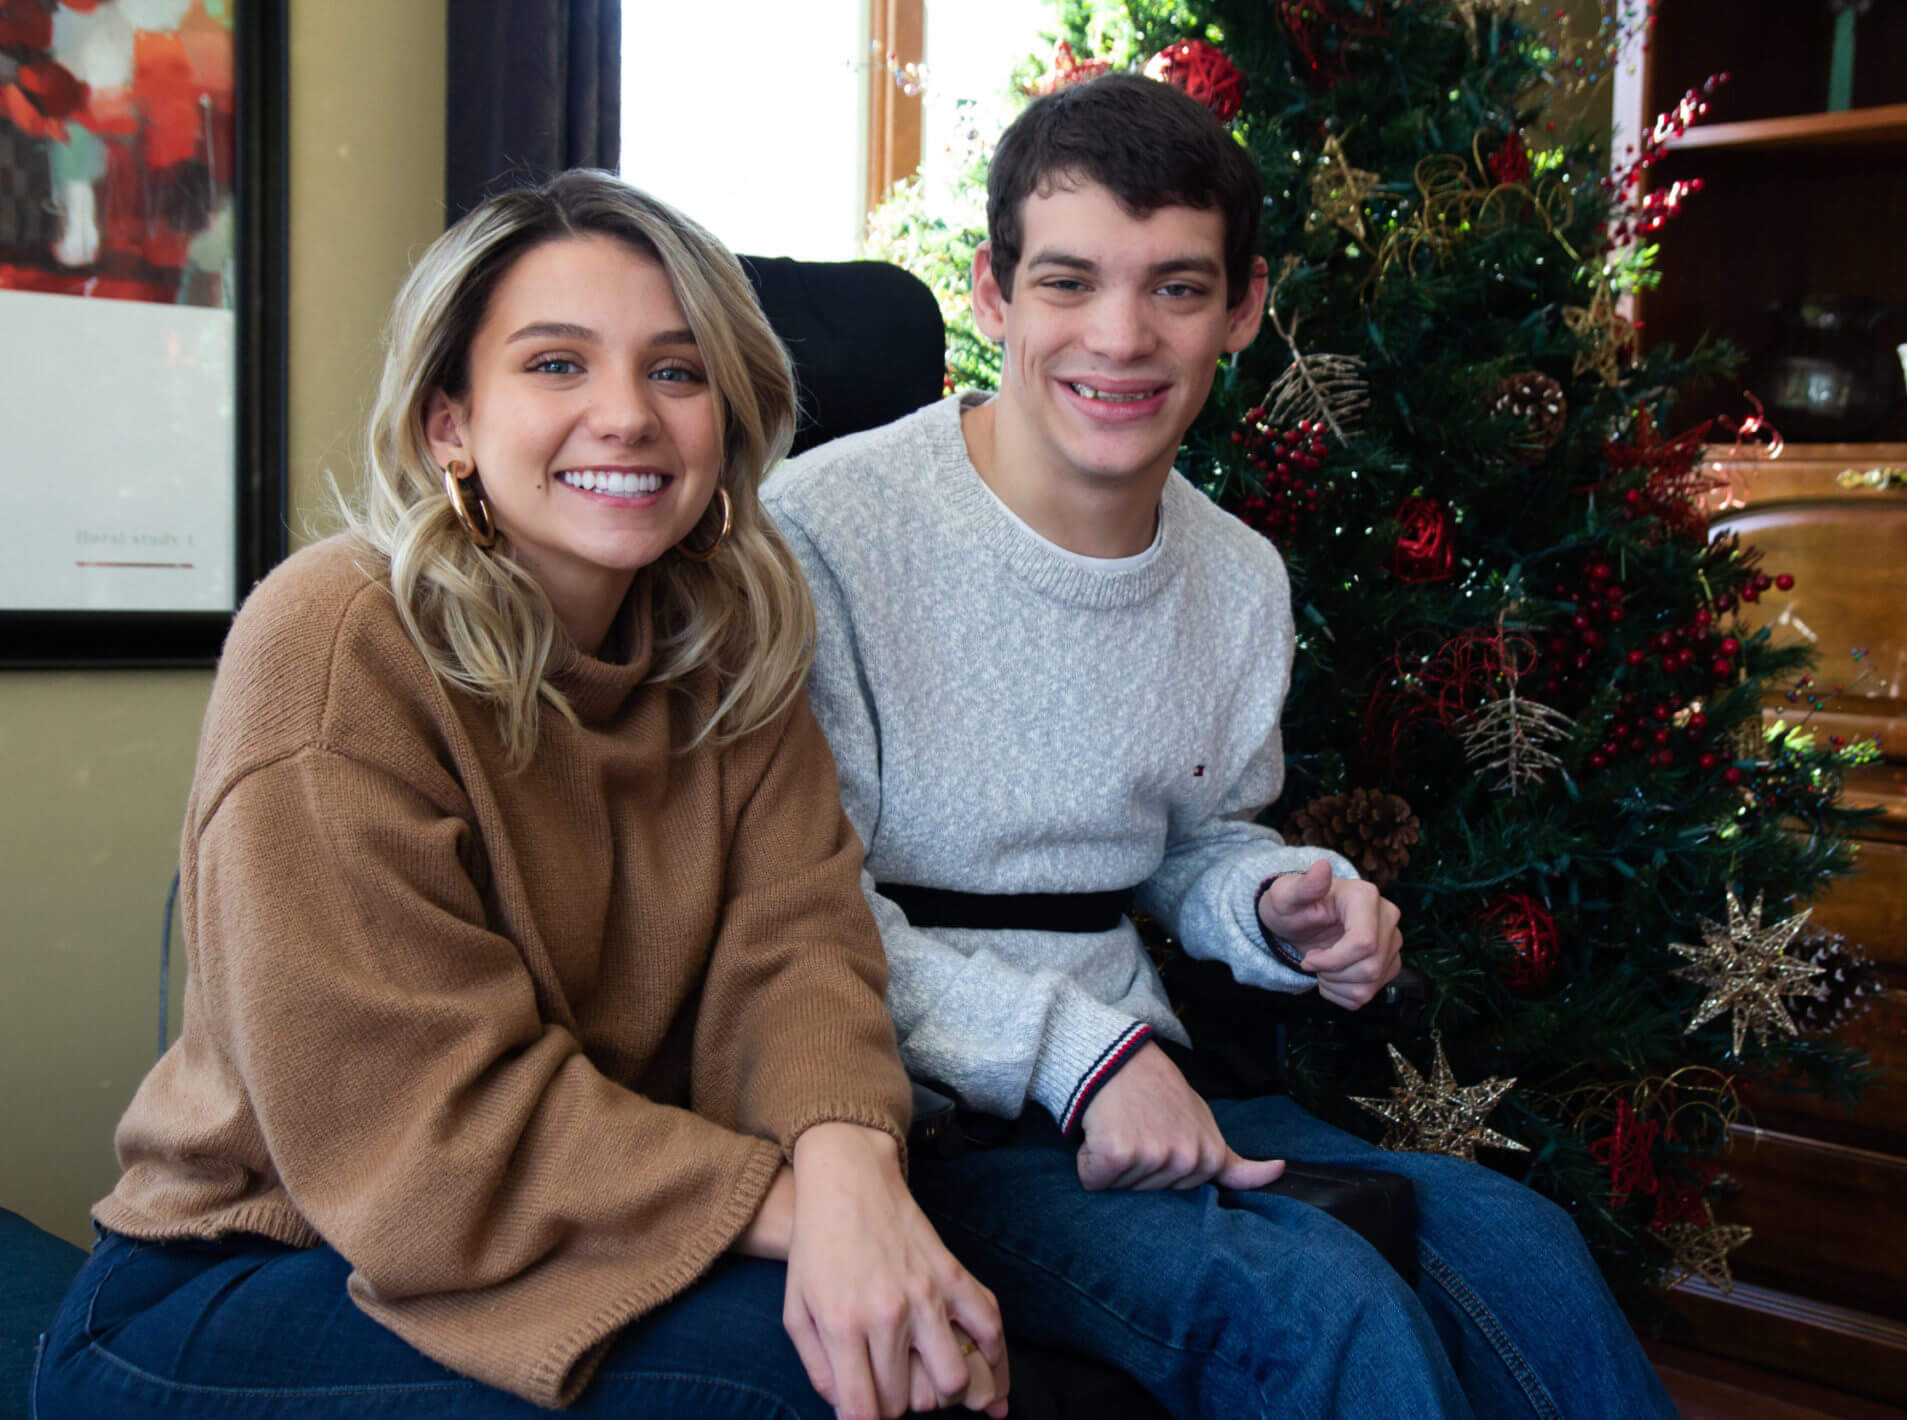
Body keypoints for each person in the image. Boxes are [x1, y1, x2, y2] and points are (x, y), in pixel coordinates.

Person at [765, 76, 1679, 1419]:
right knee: (1317, 1305)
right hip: (923, 1113)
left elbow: (1195, 837)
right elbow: (792, 915)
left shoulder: (1238, 575)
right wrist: (1077, 1060)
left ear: (1243, 309)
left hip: (1151, 1080)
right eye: (1069, 283)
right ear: (993, 294)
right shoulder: (824, 529)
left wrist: (1268, 900)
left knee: (1523, 1252)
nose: (1120, 339)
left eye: (1177, 290)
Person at [33, 171, 1007, 1420]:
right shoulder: (335, 639)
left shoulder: (730, 651)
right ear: (451, 423)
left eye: (676, 370)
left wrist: (853, 1165)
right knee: (796, 1386)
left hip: (530, 1235)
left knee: (919, 1351)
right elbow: (428, 1124)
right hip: (245, 1273)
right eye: (556, 365)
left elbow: (798, 953)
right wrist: (812, 1215)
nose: (627, 416)